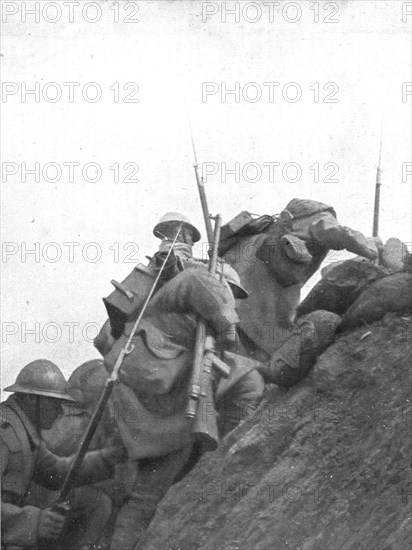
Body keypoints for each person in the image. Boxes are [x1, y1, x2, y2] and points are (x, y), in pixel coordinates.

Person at [103, 241, 264, 550]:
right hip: (159, 402)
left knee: (149, 493)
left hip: (158, 410)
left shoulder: (181, 317)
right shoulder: (184, 292)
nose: (234, 302)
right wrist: (227, 324)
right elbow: (198, 283)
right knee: (249, 381)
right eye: (231, 293)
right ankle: (224, 456)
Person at [1, 359, 127, 550]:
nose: (60, 411)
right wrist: (33, 522)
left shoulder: (24, 432)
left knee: (95, 501)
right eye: (53, 402)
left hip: (12, 519)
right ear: (29, 399)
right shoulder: (4, 433)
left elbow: (57, 471)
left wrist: (107, 459)